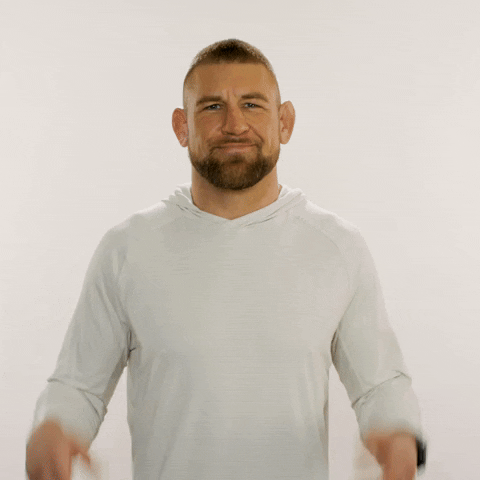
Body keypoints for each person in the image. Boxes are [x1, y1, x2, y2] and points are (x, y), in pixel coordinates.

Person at [26, 38, 427, 480]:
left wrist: (398, 436)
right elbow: (78, 386)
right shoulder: (127, 249)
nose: (234, 124)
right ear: (182, 126)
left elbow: (380, 386)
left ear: (284, 122)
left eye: (252, 104)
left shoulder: (337, 248)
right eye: (213, 107)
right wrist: (54, 429)